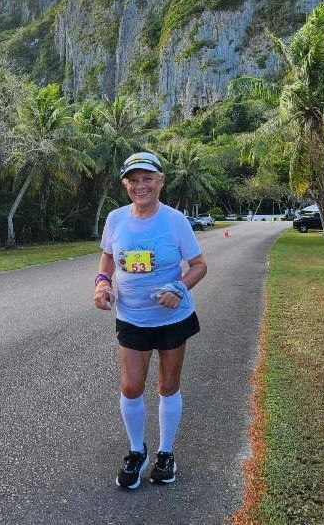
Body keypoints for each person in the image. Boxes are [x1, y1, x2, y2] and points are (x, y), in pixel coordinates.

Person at [94, 150, 207, 490]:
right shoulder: (115, 219)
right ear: (125, 184)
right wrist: (102, 285)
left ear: (160, 181)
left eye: (147, 179)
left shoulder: (175, 221)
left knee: (168, 385)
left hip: (173, 318)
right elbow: (107, 258)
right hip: (132, 318)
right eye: (133, 180)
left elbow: (199, 265)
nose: (140, 185)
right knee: (131, 387)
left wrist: (179, 288)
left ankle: (166, 453)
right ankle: (135, 450)